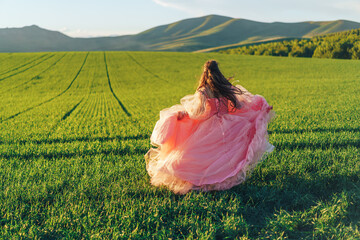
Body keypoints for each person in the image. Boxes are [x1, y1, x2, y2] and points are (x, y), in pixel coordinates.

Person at [145, 60, 275, 194]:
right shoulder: (226, 87)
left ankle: (205, 179)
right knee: (224, 153)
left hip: (209, 126)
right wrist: (259, 109)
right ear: (218, 72)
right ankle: (222, 177)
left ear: (204, 74)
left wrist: (183, 115)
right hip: (229, 124)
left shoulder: (203, 90)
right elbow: (239, 106)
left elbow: (198, 112)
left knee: (203, 155)